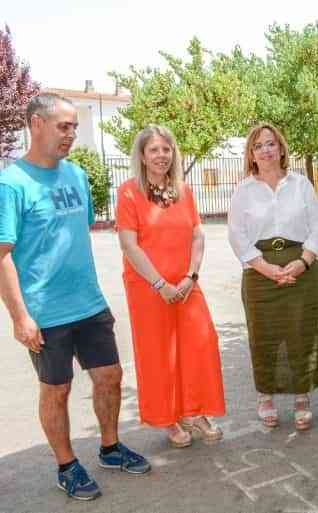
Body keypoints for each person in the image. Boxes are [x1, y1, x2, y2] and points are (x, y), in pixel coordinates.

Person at [0, 94, 150, 501]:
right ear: (36, 124)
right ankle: (67, 465)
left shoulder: (78, 175)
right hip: (45, 313)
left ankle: (110, 447)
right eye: (63, 126)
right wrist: (20, 316)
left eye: (74, 128)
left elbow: (77, 234)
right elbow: (2, 255)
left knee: (110, 376)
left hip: (88, 302)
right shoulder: (11, 183)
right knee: (57, 389)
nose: (71, 134)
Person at [116, 125, 225, 448]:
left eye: (166, 149)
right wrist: (160, 283)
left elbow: (197, 235)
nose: (161, 155)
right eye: (154, 150)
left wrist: (191, 276)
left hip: (186, 285)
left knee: (199, 346)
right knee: (159, 354)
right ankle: (169, 418)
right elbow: (129, 245)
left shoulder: (183, 191)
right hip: (149, 289)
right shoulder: (128, 193)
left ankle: (196, 411)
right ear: (142, 155)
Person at [228, 122, 318, 430]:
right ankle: (265, 397)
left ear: (281, 148)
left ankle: (302, 397)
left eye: (271, 143)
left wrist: (304, 261)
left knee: (302, 334)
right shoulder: (243, 191)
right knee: (264, 337)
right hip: (260, 274)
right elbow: (237, 236)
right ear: (251, 154)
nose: (266, 150)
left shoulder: (300, 184)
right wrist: (264, 267)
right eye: (259, 146)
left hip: (302, 271)